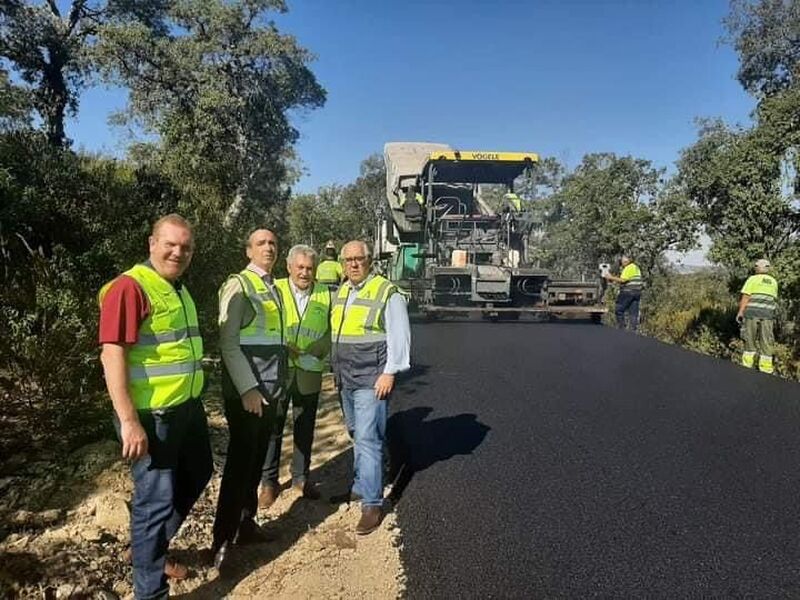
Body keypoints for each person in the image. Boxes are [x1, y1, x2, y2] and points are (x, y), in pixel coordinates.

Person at [98, 214, 212, 599]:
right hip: (152, 417)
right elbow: (112, 353)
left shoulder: (176, 289)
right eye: (170, 244)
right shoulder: (131, 287)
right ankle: (150, 591)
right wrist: (129, 421)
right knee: (154, 502)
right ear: (151, 243)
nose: (178, 252)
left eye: (186, 247)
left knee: (199, 472)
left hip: (186, 409)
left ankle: (149, 550)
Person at [211, 228, 286, 574]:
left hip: (271, 390)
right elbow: (228, 345)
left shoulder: (273, 287)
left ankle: (246, 524)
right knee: (240, 464)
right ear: (248, 251)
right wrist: (247, 389)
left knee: (256, 460)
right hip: (249, 393)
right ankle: (221, 541)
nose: (268, 248)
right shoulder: (239, 286)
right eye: (261, 243)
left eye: (272, 243)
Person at [330, 240, 410, 535]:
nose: (353, 264)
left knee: (368, 438)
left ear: (370, 260)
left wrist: (389, 372)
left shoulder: (386, 292)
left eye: (359, 259)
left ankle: (372, 503)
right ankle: (359, 487)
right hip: (345, 378)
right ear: (342, 263)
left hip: (371, 378)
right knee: (355, 433)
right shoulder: (341, 292)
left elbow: (400, 335)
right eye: (348, 259)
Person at [261, 245, 331, 504]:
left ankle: (301, 478)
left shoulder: (325, 293)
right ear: (289, 267)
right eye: (300, 267)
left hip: (310, 370)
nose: (304, 273)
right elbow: (263, 325)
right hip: (278, 371)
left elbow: (332, 330)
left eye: (309, 268)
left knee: (305, 427)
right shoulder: (274, 289)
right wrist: (281, 344)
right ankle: (268, 482)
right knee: (273, 427)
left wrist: (321, 348)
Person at [737, 258, 779, 374]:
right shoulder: (774, 281)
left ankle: (746, 368)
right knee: (766, 341)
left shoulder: (752, 279)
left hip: (752, 314)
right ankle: (766, 370)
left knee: (749, 340)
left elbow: (746, 296)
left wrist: (740, 312)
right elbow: (773, 300)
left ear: (757, 268)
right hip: (767, 316)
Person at [603, 255, 644, 331]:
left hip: (628, 292)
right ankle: (633, 331)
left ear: (626, 261)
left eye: (622, 261)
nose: (621, 263)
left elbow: (623, 280)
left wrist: (610, 277)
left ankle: (622, 329)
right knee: (633, 313)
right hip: (637, 292)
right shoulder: (636, 267)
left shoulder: (628, 268)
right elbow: (628, 280)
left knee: (619, 310)